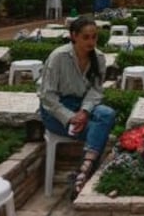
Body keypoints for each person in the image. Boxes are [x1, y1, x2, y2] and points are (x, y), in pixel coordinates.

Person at [38, 16, 116, 199]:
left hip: (82, 106)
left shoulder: (99, 58)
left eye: (94, 37)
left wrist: (84, 111)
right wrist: (70, 117)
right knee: (98, 129)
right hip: (56, 110)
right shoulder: (58, 57)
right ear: (74, 36)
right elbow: (47, 96)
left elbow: (96, 91)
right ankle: (86, 173)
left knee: (107, 114)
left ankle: (83, 171)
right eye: (86, 37)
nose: (91, 42)